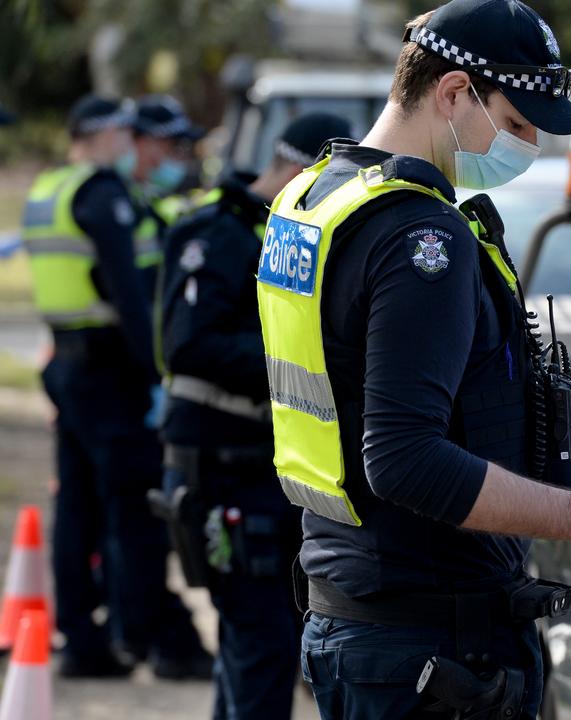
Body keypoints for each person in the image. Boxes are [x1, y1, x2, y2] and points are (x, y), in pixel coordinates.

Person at [261, 3, 571, 718]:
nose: (529, 145)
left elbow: (365, 401)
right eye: (520, 123)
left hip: (359, 611)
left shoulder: (316, 199)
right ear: (455, 93)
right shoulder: (418, 237)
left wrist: (549, 447)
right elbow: (404, 459)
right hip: (432, 649)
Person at [158, 112, 355, 720]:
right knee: (263, 646)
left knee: (253, 648)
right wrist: (301, 356)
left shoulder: (283, 232)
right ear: (303, 171)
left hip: (263, 475)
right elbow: (187, 344)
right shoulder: (218, 235)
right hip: (221, 473)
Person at [21, 95, 211, 678]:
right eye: (126, 134)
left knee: (78, 506)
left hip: (71, 363)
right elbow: (128, 298)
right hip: (110, 371)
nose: (134, 145)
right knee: (132, 510)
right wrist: (159, 374)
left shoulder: (48, 188)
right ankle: (156, 637)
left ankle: (83, 637)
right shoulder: (101, 193)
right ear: (102, 133)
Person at [129, 95, 206, 287]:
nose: (181, 157)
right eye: (174, 145)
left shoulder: (146, 198)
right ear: (145, 143)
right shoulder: (116, 199)